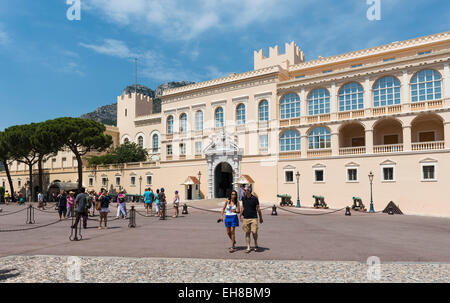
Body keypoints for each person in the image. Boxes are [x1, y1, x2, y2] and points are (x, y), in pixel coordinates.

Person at [240, 186, 263, 253]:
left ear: (249, 191)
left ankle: (255, 244)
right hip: (246, 217)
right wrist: (240, 215)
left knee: (254, 232)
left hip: (253, 218)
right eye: (244, 190)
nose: (244, 191)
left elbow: (258, 208)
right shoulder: (243, 198)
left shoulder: (254, 198)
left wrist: (261, 217)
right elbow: (243, 207)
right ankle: (248, 247)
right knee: (247, 232)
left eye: (245, 190)